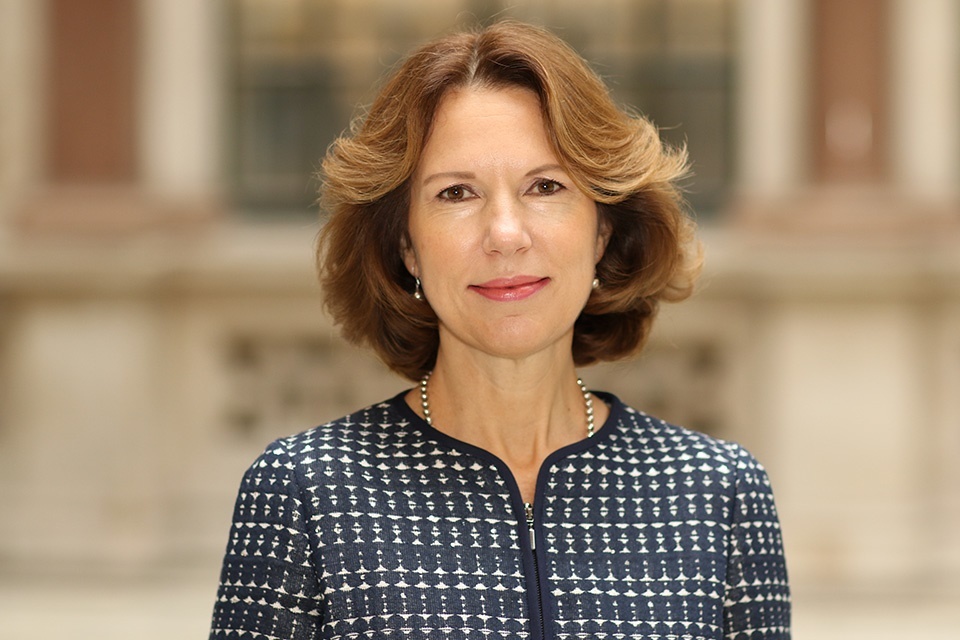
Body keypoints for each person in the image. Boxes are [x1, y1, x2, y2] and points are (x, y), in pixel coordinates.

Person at [209, 20, 790, 640]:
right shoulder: (304, 492)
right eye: (457, 193)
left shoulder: (719, 494)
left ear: (602, 231)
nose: (506, 234)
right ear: (407, 246)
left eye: (545, 186)